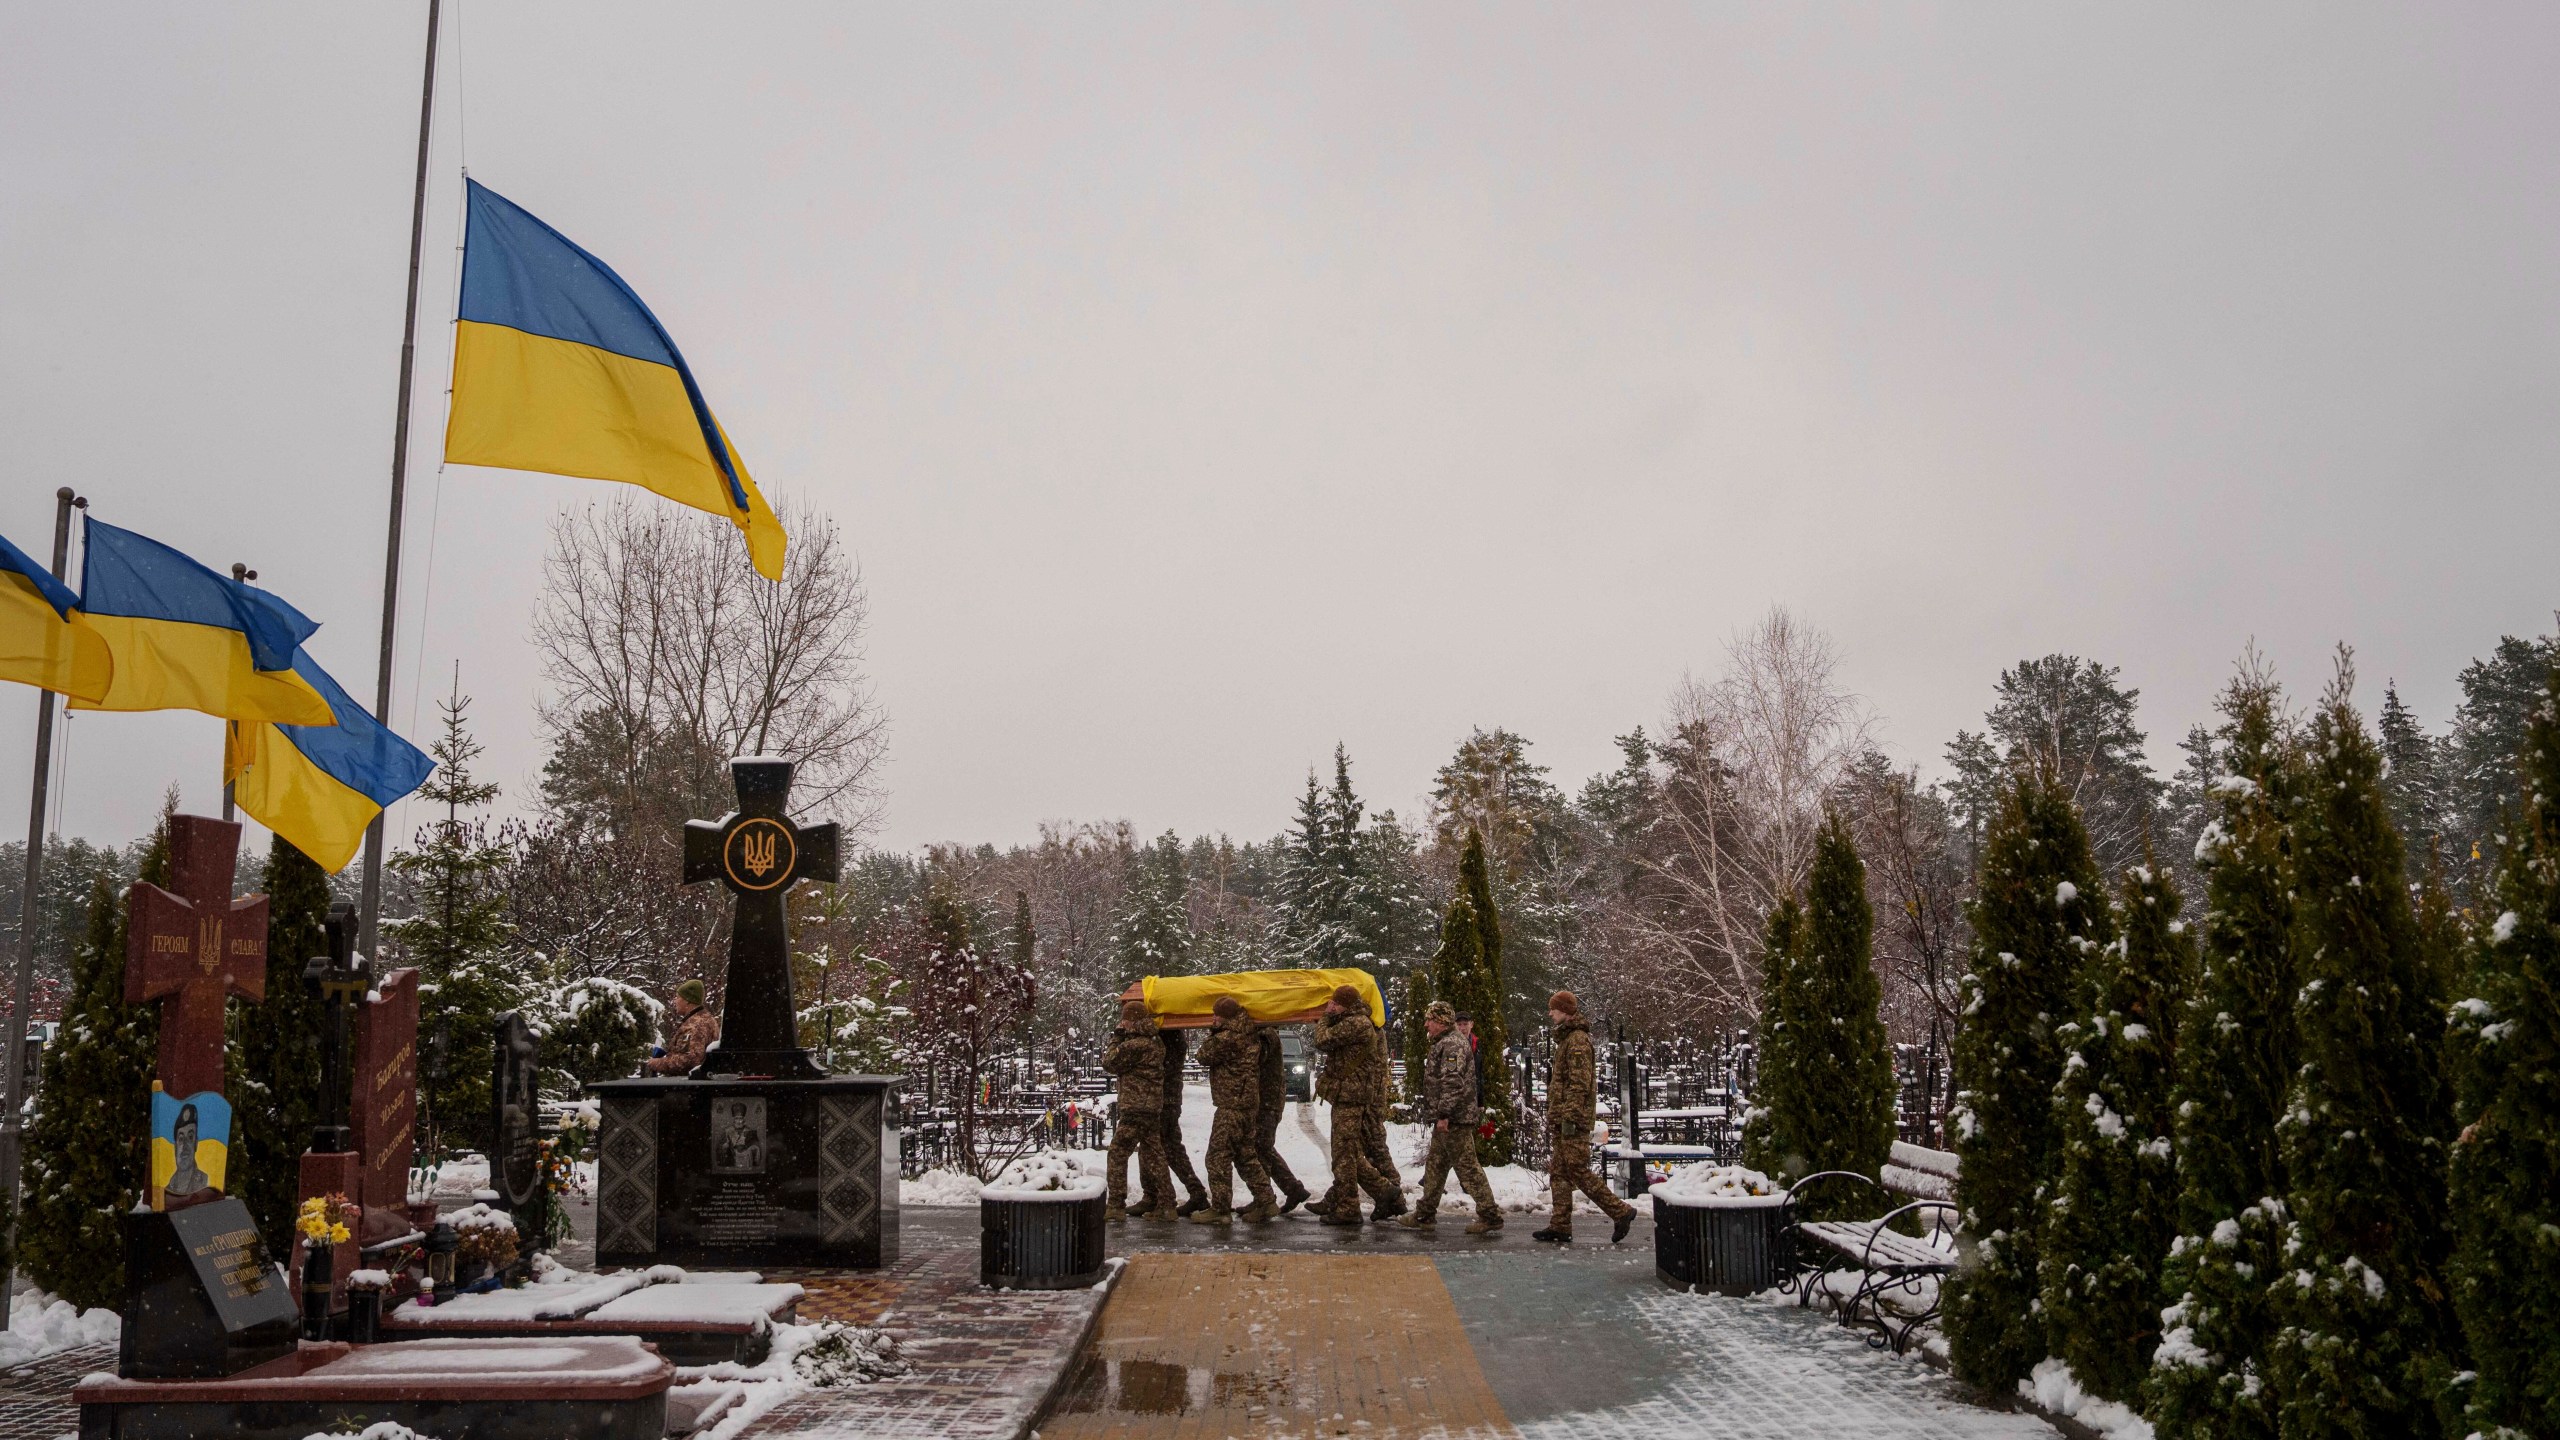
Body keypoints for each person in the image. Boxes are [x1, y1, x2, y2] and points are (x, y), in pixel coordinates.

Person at [1536, 990, 1635, 1244]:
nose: (1550, 1013)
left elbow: (1579, 1084)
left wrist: (1569, 1117)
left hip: (1573, 1119)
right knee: (1559, 1172)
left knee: (1578, 1170)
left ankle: (1620, 1211)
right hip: (1563, 1117)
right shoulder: (1568, 1039)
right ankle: (1560, 1224)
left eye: (1554, 1009)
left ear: (1566, 1011)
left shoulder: (1577, 1040)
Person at [1402, 1001, 1502, 1233]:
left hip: (1454, 1119)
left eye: (1430, 1020)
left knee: (1468, 1168)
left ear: (1441, 1022)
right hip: (1448, 1118)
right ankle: (1425, 1214)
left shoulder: (1452, 1045)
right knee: (1435, 1166)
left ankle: (1490, 1215)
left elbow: (1453, 1082)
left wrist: (1444, 1114)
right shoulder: (1446, 1042)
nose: (1426, 1024)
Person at [1190, 996, 1276, 1223]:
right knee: (1245, 1156)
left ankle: (1220, 1209)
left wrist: (1214, 1031)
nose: (1213, 1018)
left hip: (1231, 1105)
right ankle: (1266, 1201)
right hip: (1247, 1105)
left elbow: (1202, 1056)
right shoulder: (1250, 1034)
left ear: (1226, 1018)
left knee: (1217, 1156)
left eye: (1216, 1015)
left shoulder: (1228, 1038)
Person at [1310, 985, 1385, 1225]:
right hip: (1349, 1097)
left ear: (1345, 1005)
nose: (1331, 1006)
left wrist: (1324, 1016)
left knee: (1343, 1155)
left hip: (1352, 1098)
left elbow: (1322, 1040)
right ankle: (1386, 1193)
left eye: (1335, 1003)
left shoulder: (1356, 1023)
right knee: (1349, 1153)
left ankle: (1349, 1208)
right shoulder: (1354, 1020)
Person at [1102, 1000, 1177, 1221]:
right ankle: (1167, 1204)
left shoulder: (1136, 1045)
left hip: (1135, 1107)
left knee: (1117, 1153)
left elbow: (1110, 1061)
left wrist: (1117, 1036)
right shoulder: (1155, 1041)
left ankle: (1115, 1205)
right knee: (1155, 1155)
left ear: (1131, 1020)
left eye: (1125, 1018)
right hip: (1151, 1106)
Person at [1137, 1026, 1209, 1217]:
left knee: (1158, 1146)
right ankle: (1190, 1192)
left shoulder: (1165, 1038)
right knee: (1166, 1147)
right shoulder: (1171, 1035)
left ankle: (1157, 1196)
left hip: (1162, 1100)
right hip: (1166, 1099)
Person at [1254, 1023, 1311, 1213]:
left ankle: (1266, 1198)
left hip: (1267, 1101)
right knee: (1262, 1147)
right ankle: (1291, 1189)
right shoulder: (1269, 1035)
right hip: (1266, 1099)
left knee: (1260, 1146)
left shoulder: (1267, 1036)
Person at [646, 980, 720, 1075]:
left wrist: (658, 1063)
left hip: (688, 1086)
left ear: (688, 1000)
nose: (675, 1001)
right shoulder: (705, 1019)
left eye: (678, 997)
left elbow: (689, 1060)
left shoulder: (695, 1026)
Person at [164, 1102, 210, 1200]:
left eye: (190, 1137)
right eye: (180, 1139)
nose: (184, 1146)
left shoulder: (205, 1182)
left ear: (196, 1144)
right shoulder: (168, 1189)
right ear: (175, 1147)